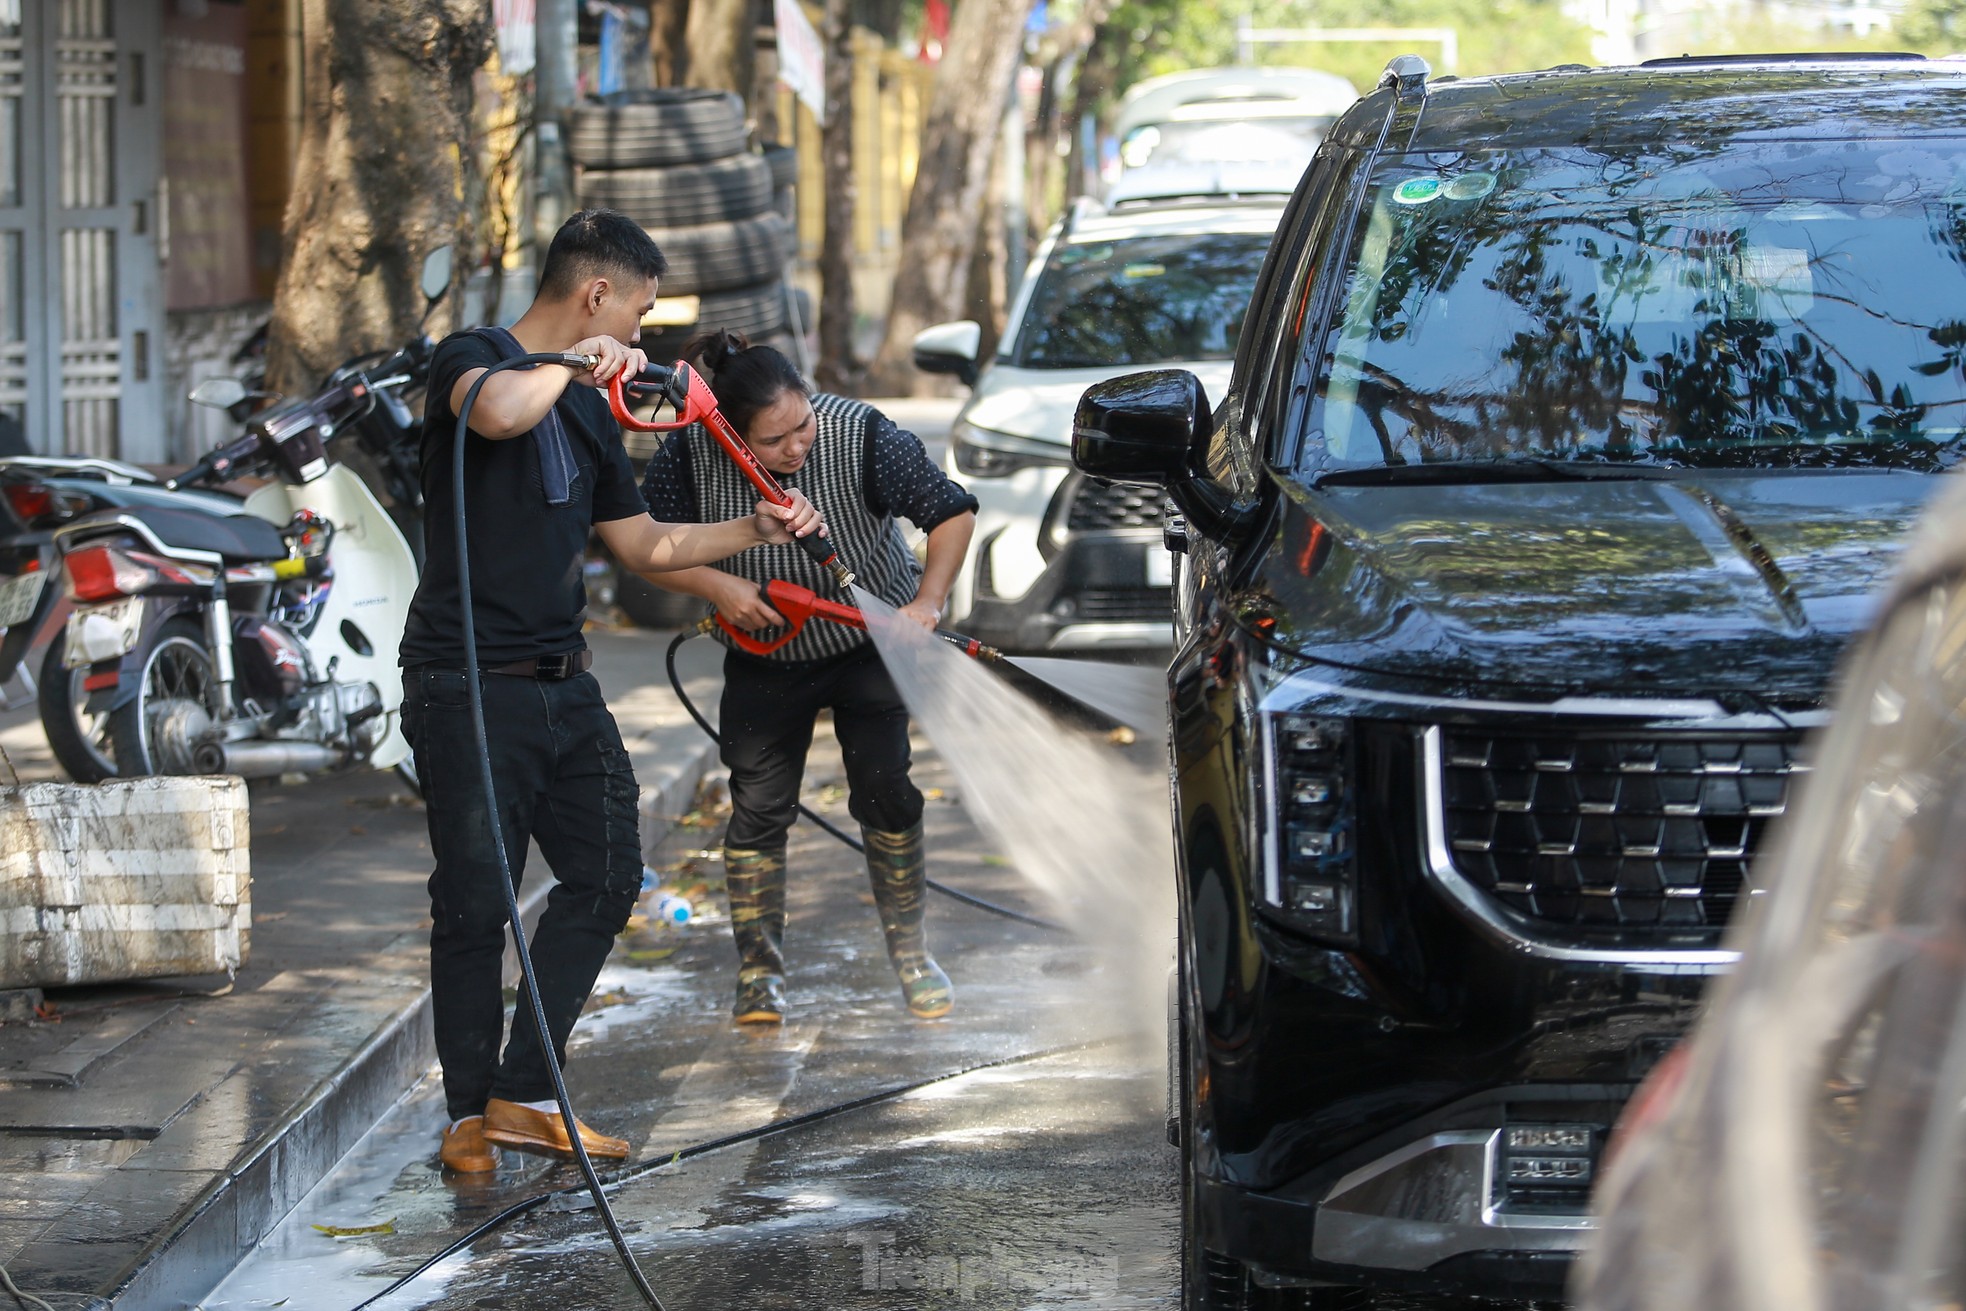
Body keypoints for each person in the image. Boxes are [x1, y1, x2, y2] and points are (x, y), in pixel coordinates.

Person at [397, 212, 826, 1176]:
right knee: (476, 905)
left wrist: (748, 527)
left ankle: (523, 1090)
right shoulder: (473, 359)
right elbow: (501, 413)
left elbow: (642, 547)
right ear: (596, 297)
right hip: (463, 684)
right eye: (636, 313)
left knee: (606, 873)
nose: (639, 337)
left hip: (563, 683)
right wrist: (581, 365)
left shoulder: (592, 408)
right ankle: (471, 1115)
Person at [638, 329, 978, 1026]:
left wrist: (926, 603)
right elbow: (643, 545)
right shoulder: (689, 454)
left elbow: (952, 512)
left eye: (803, 424)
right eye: (775, 441)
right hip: (765, 653)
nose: (798, 447)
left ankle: (913, 957)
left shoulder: (860, 434)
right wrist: (718, 588)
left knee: (886, 789)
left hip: (869, 644)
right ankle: (760, 974)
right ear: (732, 434)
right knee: (759, 808)